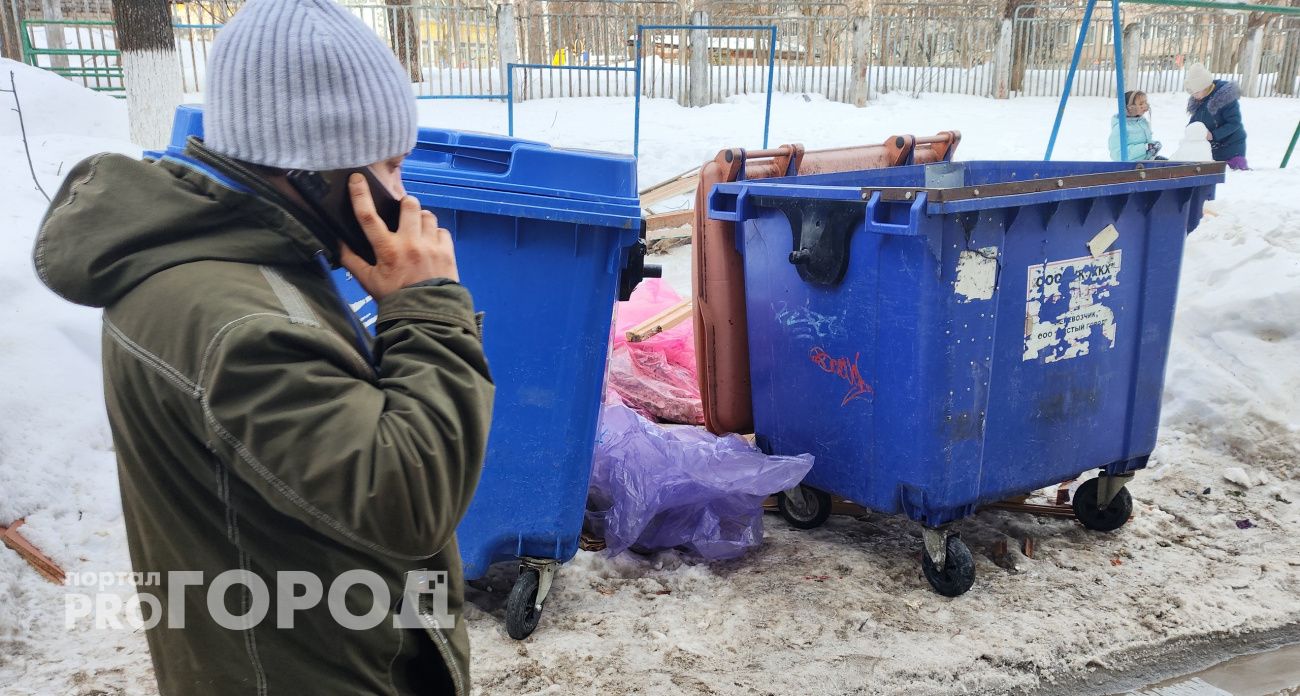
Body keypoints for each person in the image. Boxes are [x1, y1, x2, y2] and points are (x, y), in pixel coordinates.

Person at [32, 1, 494, 694]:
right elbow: (406, 498)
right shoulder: (243, 323)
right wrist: (427, 308)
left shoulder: (211, 262)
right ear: (316, 167)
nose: (404, 197)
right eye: (390, 166)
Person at [1184, 63, 1249, 170]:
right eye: (1192, 93)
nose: (1194, 95)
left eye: (1196, 92)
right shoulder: (1199, 101)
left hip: (1232, 146)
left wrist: (1213, 135)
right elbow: (1194, 122)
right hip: (1212, 149)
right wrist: (1191, 131)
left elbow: (1234, 123)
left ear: (1205, 87)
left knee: (1234, 170)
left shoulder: (1225, 98)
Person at [1108, 90, 1164, 162]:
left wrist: (1153, 146)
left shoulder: (1142, 122)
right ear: (1130, 108)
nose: (1145, 106)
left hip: (1146, 161)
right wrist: (1145, 148)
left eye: (1145, 102)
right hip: (1130, 166)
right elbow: (1117, 154)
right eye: (1141, 104)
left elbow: (1145, 142)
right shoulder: (1120, 128)